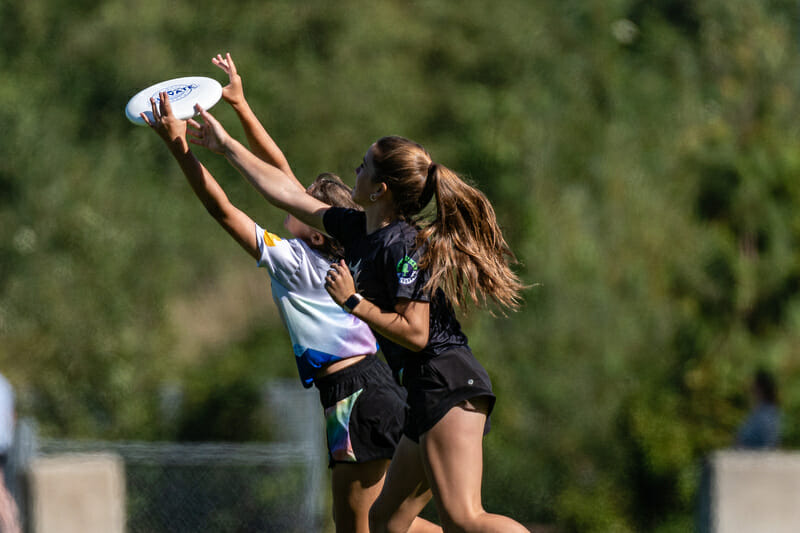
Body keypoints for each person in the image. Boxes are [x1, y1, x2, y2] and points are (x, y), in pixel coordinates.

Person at [186, 91, 530, 532]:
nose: (356, 172)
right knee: (385, 522)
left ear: (379, 189)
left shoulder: (403, 245)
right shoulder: (359, 231)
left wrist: (354, 302)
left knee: (464, 517)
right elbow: (287, 194)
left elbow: (417, 333)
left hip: (447, 384)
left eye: (364, 167)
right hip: (421, 394)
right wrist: (225, 144)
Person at [141, 68, 437, 532]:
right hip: (376, 388)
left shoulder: (295, 261)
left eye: (307, 201)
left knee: (357, 528)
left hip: (355, 393)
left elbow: (223, 209)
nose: (295, 200)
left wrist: (177, 145)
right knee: (386, 525)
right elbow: (276, 167)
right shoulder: (347, 248)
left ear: (319, 234)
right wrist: (240, 106)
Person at [735, 369, 781, 449]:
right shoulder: (758, 412)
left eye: (754, 387)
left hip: (756, 459)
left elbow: (769, 443)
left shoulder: (767, 414)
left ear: (760, 389)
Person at [0, 374, 21, 533]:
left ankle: (12, 528)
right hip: (6, 445)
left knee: (1, 494)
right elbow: (13, 416)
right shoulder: (5, 383)